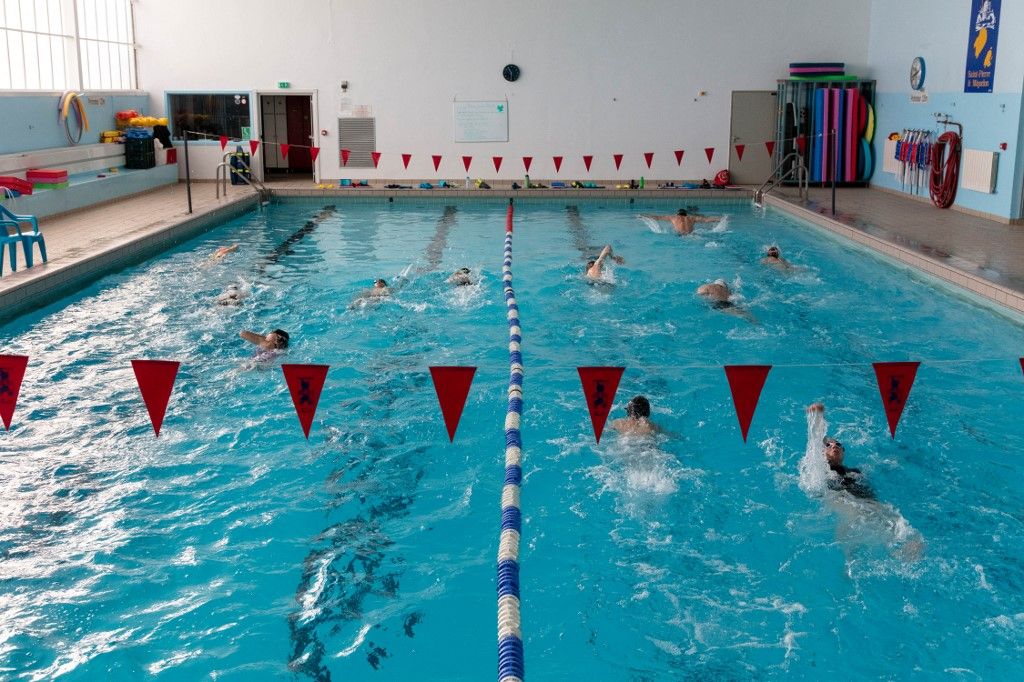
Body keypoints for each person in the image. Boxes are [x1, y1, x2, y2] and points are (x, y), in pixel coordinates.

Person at [806, 403, 874, 500]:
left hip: (865, 502)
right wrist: (818, 418)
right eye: (828, 445)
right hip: (842, 500)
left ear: (843, 451)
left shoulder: (855, 472)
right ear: (822, 452)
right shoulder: (821, 471)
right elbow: (817, 439)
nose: (834, 446)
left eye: (838, 444)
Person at [640, 208, 721, 236]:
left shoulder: (673, 217)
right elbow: (706, 220)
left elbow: (657, 217)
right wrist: (720, 219)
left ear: (677, 214)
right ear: (686, 214)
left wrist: (643, 215)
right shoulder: (692, 218)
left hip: (681, 236)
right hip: (692, 235)